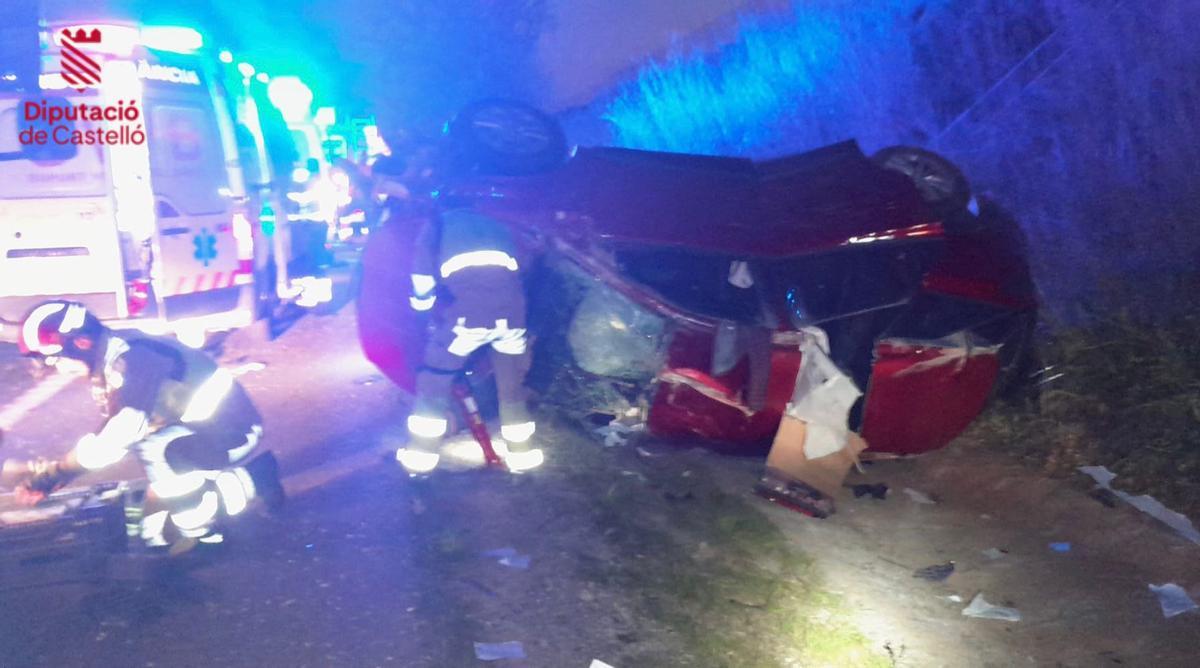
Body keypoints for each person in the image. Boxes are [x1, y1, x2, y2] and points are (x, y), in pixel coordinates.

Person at [10, 302, 284, 554]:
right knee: (155, 518)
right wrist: (60, 474)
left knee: (157, 454)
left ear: (81, 343)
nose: (59, 368)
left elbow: (123, 431)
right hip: (200, 431)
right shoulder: (114, 355)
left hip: (232, 432)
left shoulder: (133, 358)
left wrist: (59, 472)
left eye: (56, 359)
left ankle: (205, 532)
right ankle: (245, 482)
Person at [390, 150, 541, 475]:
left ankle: (419, 461)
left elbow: (422, 281)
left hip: (467, 321)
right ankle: (523, 459)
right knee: (511, 389)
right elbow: (523, 264)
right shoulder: (496, 222)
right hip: (513, 317)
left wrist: (421, 314)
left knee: (434, 382)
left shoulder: (436, 227)